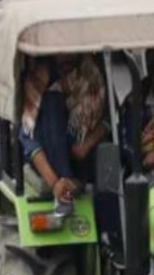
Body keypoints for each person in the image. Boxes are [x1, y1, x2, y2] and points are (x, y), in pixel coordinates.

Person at [20, 53, 109, 202]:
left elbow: (111, 118)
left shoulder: (93, 74)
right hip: (50, 161)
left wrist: (86, 144)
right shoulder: (40, 80)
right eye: (59, 52)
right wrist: (56, 183)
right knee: (52, 101)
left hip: (84, 153)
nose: (65, 57)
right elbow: (29, 138)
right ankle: (67, 179)